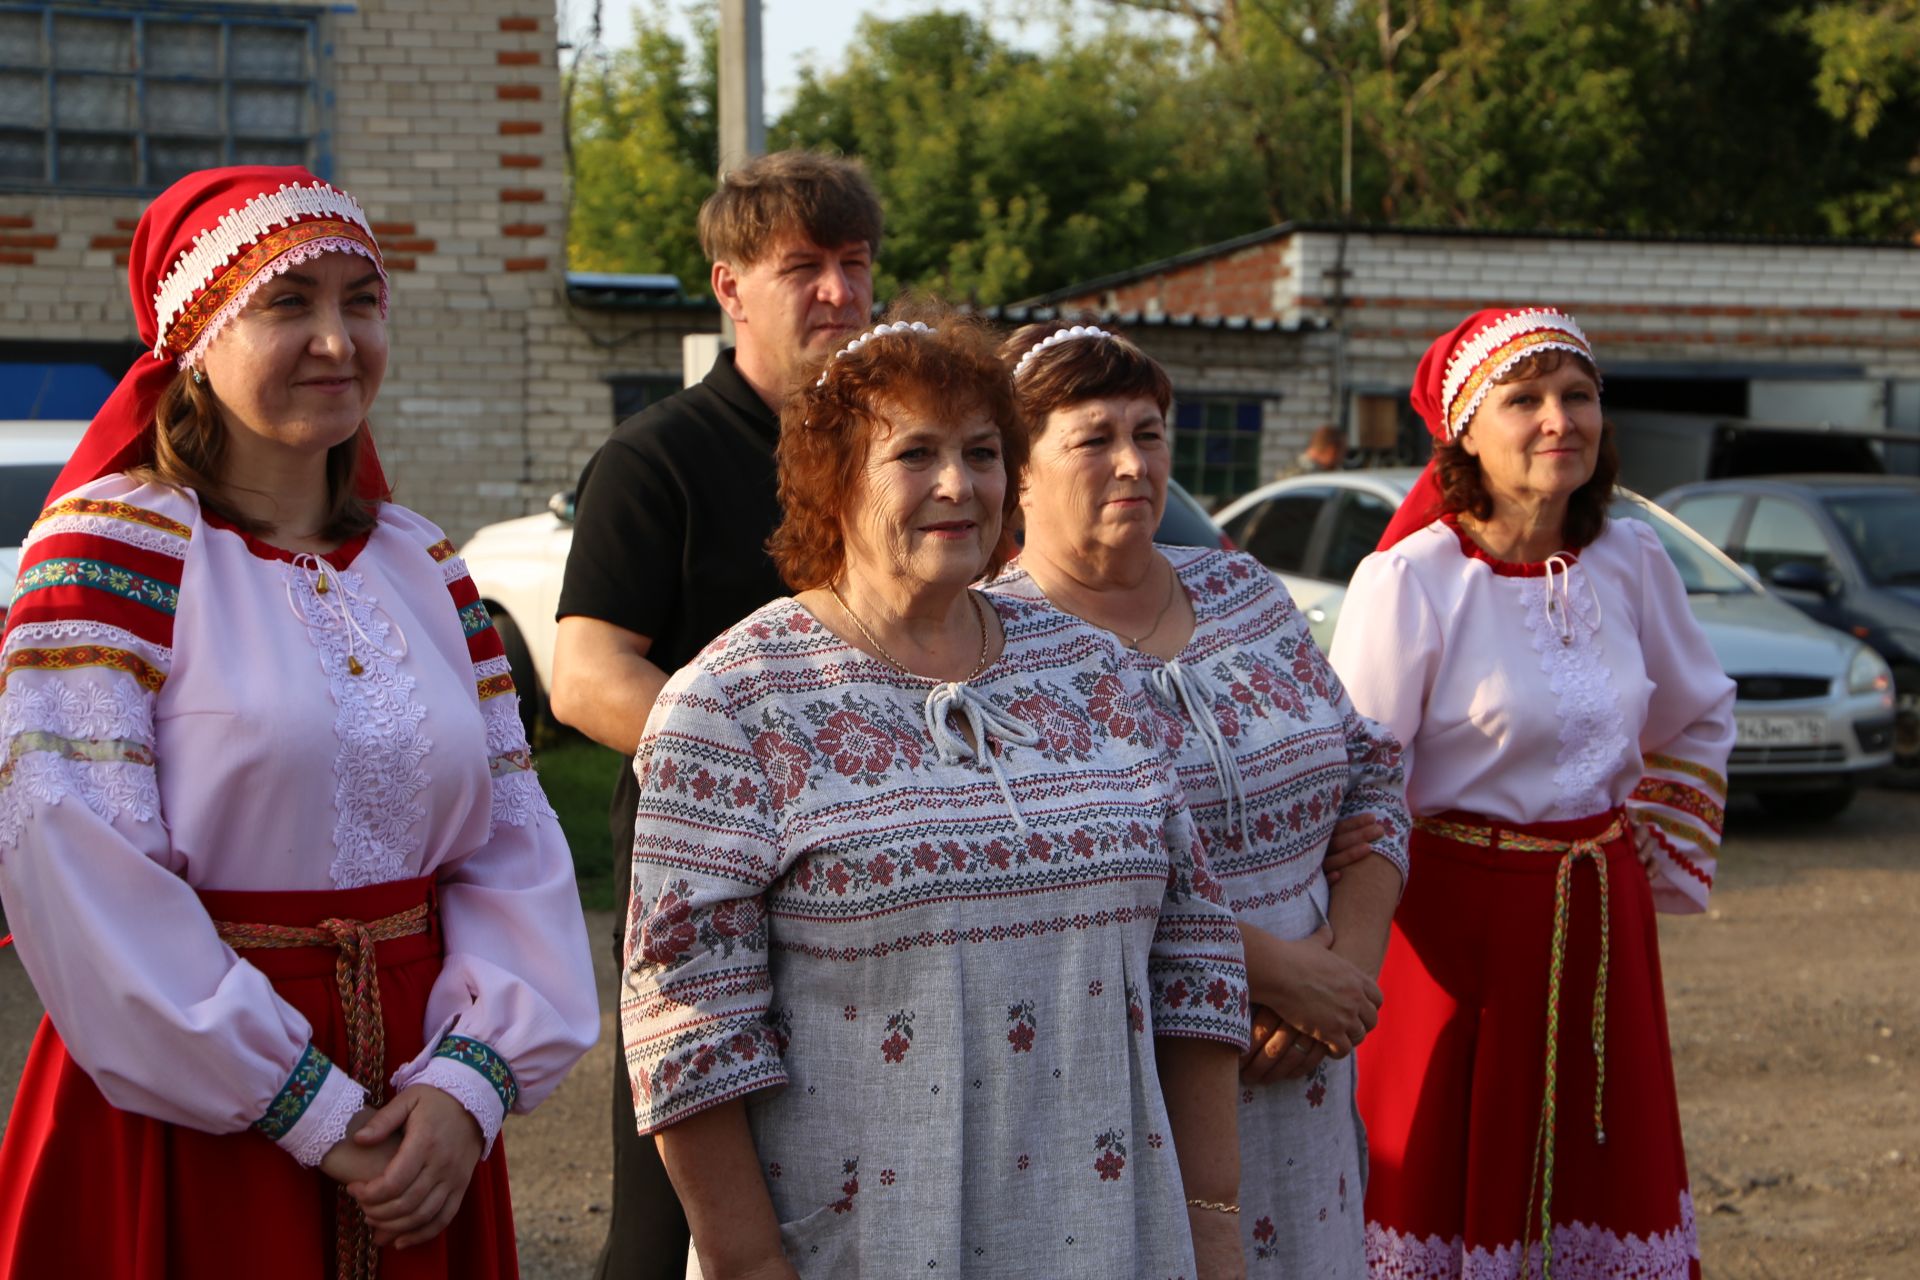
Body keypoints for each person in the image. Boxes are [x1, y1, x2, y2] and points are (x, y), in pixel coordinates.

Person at [0, 166, 598, 1278]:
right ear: (197, 333)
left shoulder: (423, 565)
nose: (337, 338)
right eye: (289, 302)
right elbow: (74, 860)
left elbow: (513, 843)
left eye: (360, 300)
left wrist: (469, 1083)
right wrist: (308, 1109)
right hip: (194, 1114)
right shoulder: (109, 552)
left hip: (425, 1112)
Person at [620, 310, 1251, 1279]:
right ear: (832, 480)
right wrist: (750, 1267)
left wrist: (1213, 1224)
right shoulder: (735, 704)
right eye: (916, 452)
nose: (959, 485)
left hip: (1115, 1238)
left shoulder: (1096, 672)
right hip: (867, 1250)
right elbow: (689, 1033)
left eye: (983, 451)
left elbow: (1196, 961)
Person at [987, 323, 1409, 1275]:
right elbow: (1055, 878)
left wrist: (1347, 965)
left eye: (1152, 432)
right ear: (1017, 472)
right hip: (1142, 1070)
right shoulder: (995, 648)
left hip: (1305, 1066)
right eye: (1094, 439)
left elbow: (1372, 774)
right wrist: (1273, 974)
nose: (1135, 463)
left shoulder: (1246, 592)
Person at [1329, 308, 1734, 1279]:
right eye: (1526, 400)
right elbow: (1356, 773)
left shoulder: (1631, 563)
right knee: (1441, 1166)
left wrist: (1646, 847)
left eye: (1579, 396)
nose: (1560, 420)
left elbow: (1699, 712)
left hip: (1600, 913)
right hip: (1452, 925)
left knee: (1605, 1156)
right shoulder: (1413, 580)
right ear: (1466, 427)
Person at [549, 149, 882, 1280]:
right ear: (729, 284)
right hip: (706, 886)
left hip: (871, 885)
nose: (837, 290)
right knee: (673, 1214)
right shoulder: (659, 459)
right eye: (803, 266)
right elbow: (587, 673)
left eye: (854, 262)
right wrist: (791, 778)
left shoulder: (888, 452)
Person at [1276, 423, 1345, 480]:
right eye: (1341, 452)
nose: (1341, 458)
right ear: (1331, 451)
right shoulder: (1308, 476)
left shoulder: (1293, 470)